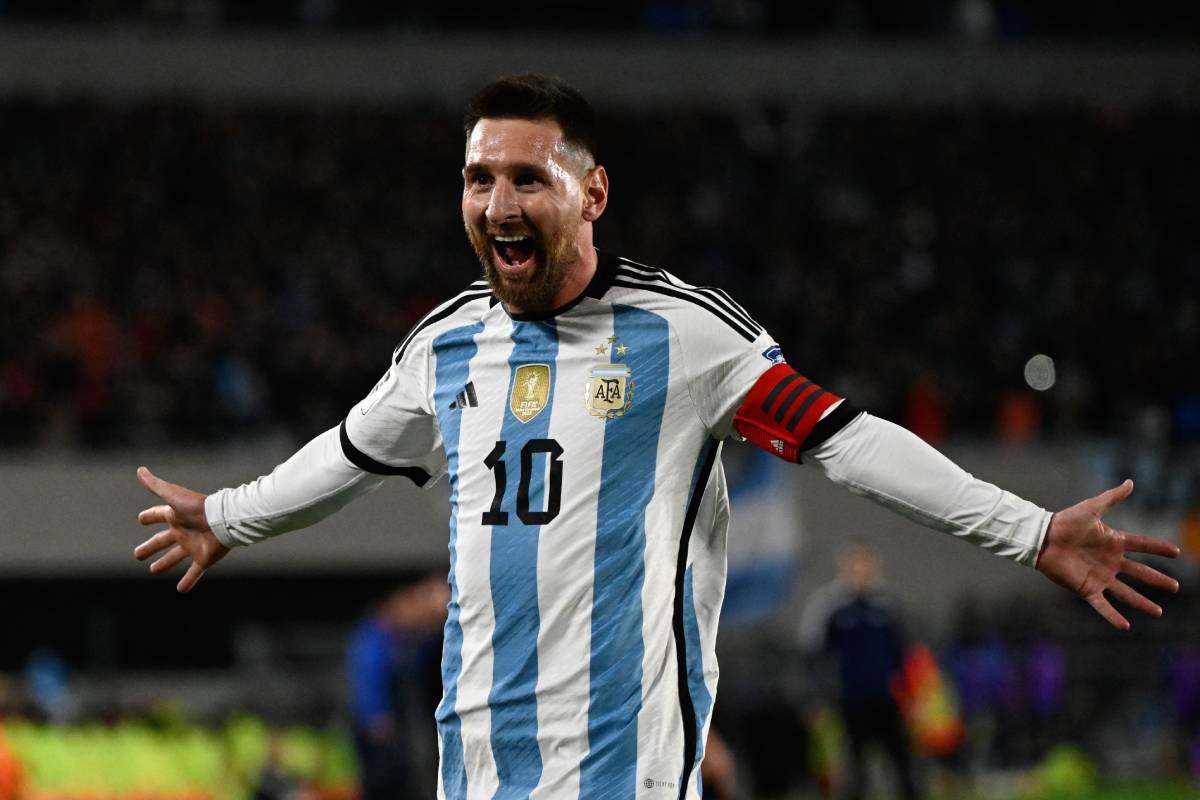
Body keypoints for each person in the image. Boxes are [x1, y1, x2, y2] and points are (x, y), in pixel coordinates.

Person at [133, 74, 1181, 800]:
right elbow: (349, 451)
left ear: (591, 192)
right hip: (476, 765)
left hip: (623, 766)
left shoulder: (683, 338)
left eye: (526, 177)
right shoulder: (446, 346)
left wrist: (1028, 530)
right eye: (477, 177)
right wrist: (227, 516)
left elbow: (847, 441)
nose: (497, 200)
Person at [800, 543, 920, 799]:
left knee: (904, 763)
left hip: (888, 700)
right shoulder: (831, 608)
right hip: (850, 702)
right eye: (854, 566)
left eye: (865, 565)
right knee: (855, 769)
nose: (860, 572)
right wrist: (817, 699)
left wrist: (912, 696)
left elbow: (905, 654)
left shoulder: (888, 606)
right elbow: (814, 656)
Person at [346, 576, 449, 799]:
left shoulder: (413, 641)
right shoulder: (376, 636)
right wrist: (377, 716)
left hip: (404, 726)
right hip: (380, 730)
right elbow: (368, 677)